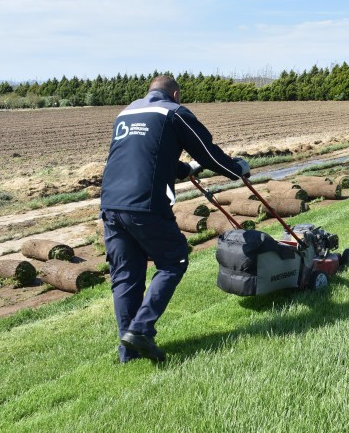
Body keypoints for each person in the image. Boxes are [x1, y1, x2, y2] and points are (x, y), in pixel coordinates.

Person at [100, 75, 250, 363]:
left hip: (110, 203)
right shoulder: (174, 112)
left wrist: (185, 169)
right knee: (174, 260)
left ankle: (128, 353)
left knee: (126, 276)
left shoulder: (126, 113)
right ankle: (140, 331)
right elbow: (208, 153)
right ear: (176, 94)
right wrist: (236, 169)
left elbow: (147, 156)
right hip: (145, 203)